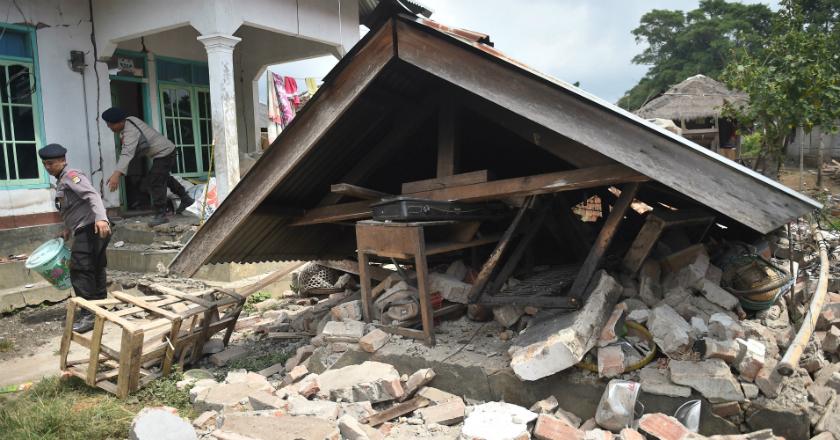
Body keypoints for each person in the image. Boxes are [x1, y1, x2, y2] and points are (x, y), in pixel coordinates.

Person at [39, 143, 111, 333]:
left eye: (51, 163)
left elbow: (92, 195)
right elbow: (73, 208)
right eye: (45, 164)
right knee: (95, 267)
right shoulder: (61, 180)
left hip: (92, 227)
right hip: (87, 227)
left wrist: (102, 219)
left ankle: (89, 315)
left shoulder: (71, 176)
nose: (48, 167)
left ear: (63, 160)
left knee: (80, 269)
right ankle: (100, 307)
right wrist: (66, 229)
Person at [101, 107, 194, 226]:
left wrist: (116, 174)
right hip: (164, 152)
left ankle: (161, 214)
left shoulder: (130, 132)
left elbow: (126, 153)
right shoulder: (130, 120)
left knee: (155, 181)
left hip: (165, 153)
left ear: (120, 122)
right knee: (162, 177)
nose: (109, 127)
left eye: (110, 125)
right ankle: (186, 198)